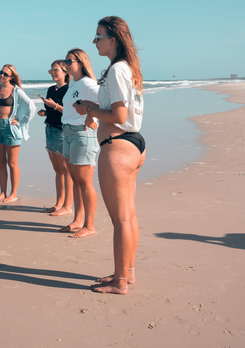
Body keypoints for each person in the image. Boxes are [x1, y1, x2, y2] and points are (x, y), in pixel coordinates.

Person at [75, 16, 145, 294]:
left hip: (117, 148)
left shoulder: (117, 70)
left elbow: (118, 115)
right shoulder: (129, 68)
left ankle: (119, 282)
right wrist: (94, 105)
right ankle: (126, 274)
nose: (94, 42)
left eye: (98, 36)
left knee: (121, 220)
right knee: (129, 216)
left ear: (113, 39)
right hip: (133, 145)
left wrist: (89, 111)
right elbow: (121, 111)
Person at [60, 48, 99, 238]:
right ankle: (78, 220)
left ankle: (89, 225)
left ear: (80, 63)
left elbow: (107, 102)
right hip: (68, 132)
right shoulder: (74, 83)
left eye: (69, 61)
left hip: (82, 135)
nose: (65, 65)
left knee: (85, 182)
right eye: (65, 62)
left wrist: (92, 115)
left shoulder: (87, 83)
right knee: (75, 180)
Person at [0, 64, 37, 203]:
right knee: (1, 162)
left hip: (10, 129)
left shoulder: (16, 90)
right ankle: (2, 192)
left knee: (12, 163)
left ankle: (13, 193)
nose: (2, 75)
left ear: (11, 77)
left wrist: (21, 122)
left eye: (5, 74)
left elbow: (31, 107)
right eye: (1, 73)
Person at [37, 60, 73, 216]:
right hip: (49, 129)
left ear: (65, 72)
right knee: (57, 170)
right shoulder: (51, 89)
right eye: (51, 70)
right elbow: (51, 110)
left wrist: (54, 106)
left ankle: (67, 205)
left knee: (66, 171)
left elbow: (72, 112)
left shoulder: (69, 89)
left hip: (61, 131)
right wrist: (44, 112)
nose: (52, 72)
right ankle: (59, 203)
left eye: (55, 70)